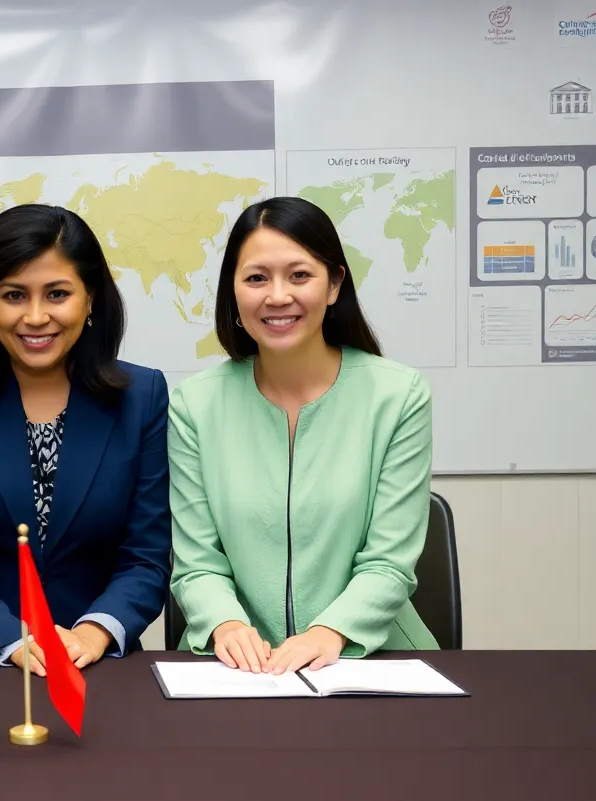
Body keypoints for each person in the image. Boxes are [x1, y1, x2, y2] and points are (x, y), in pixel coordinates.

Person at [167, 196, 438, 675]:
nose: (276, 296)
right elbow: (197, 562)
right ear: (233, 291)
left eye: (299, 275)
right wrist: (226, 624)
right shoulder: (195, 405)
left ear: (334, 284)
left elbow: (389, 561)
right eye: (256, 278)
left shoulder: (398, 395)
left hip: (369, 661)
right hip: (242, 669)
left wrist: (328, 632)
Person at [0, 204, 171, 675]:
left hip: (97, 664)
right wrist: (11, 637)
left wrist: (94, 632)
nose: (35, 316)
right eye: (14, 295)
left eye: (56, 294)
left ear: (90, 299)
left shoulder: (142, 397)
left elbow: (147, 556)